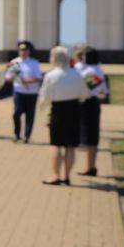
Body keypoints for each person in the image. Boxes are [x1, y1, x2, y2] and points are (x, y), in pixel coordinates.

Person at [38, 46, 90, 185]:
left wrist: (41, 108)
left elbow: (44, 97)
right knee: (70, 146)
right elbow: (85, 94)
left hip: (57, 111)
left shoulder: (50, 75)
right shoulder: (77, 74)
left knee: (55, 144)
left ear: (53, 59)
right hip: (74, 110)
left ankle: (55, 175)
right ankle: (66, 176)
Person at [77, 48, 108, 176]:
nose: (82, 58)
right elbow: (104, 92)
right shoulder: (98, 70)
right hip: (94, 103)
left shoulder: (90, 72)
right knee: (93, 137)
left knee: (90, 137)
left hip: (87, 103)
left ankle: (90, 167)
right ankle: (91, 166)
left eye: (84, 56)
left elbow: (87, 87)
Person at [4, 41, 43, 143]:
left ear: (29, 52)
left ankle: (27, 136)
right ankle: (17, 134)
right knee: (16, 113)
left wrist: (28, 81)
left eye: (25, 50)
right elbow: (7, 77)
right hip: (18, 91)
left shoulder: (34, 63)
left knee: (30, 115)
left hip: (32, 93)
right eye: (21, 50)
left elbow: (39, 78)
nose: (23, 52)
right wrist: (12, 76)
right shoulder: (14, 62)